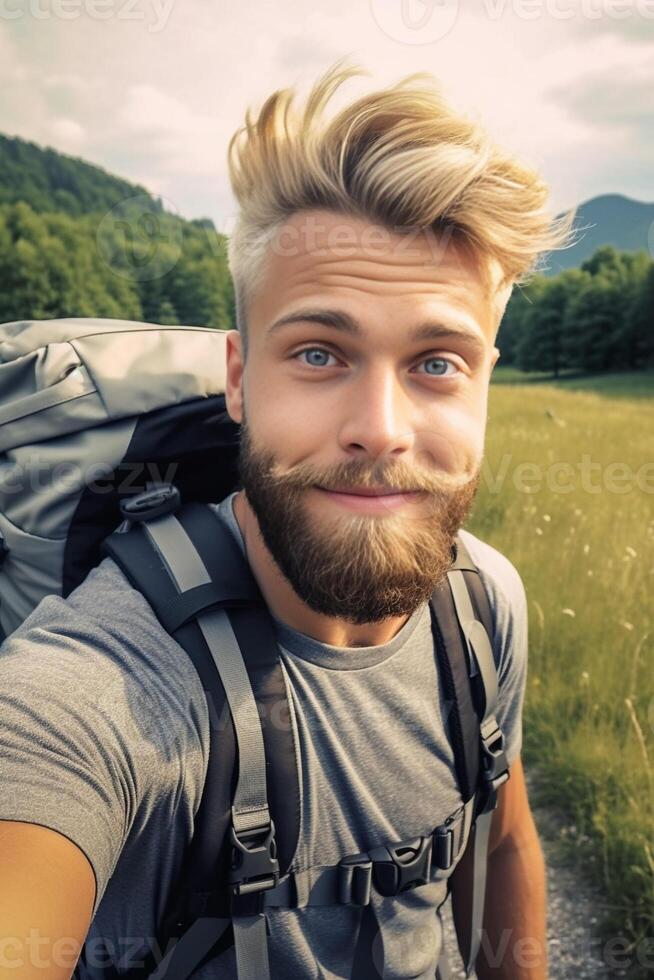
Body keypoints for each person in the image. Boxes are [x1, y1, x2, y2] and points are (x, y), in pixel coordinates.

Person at [0, 59, 575, 979]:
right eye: (319, 351)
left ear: (485, 382)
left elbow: (501, 846)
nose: (380, 431)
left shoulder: (482, 605)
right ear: (239, 376)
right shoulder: (92, 690)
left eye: (436, 362)